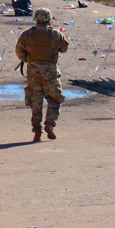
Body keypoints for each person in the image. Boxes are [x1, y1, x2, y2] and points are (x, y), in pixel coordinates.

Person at [15, 8, 69, 142]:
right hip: (50, 72)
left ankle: (37, 131)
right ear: (49, 20)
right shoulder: (56, 35)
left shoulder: (27, 35)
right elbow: (64, 48)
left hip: (33, 72)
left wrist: (29, 60)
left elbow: (19, 51)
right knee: (55, 99)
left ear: (35, 19)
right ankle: (50, 124)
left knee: (35, 101)